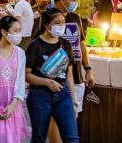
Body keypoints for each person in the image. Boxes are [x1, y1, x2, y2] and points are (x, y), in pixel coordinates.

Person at [25, 8, 79, 143]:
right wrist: (47, 82)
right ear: (46, 25)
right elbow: (26, 75)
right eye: (57, 23)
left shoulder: (65, 44)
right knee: (39, 138)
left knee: (72, 138)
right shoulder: (35, 46)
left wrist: (73, 102)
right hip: (40, 95)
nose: (61, 26)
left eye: (63, 22)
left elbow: (70, 76)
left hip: (63, 95)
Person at [51, 0, 94, 143]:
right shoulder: (46, 17)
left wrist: (88, 69)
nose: (76, 2)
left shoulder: (75, 18)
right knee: (55, 119)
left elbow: (81, 44)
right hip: (55, 78)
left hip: (76, 76)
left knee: (72, 116)